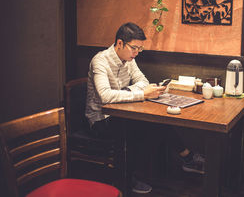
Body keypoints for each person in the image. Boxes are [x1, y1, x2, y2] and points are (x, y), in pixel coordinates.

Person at [85, 22, 204, 194]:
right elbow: (105, 96)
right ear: (120, 43)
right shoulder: (100, 61)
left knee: (157, 121)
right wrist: (141, 94)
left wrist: (127, 90)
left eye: (139, 49)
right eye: (134, 48)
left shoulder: (129, 59)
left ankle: (183, 161)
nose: (136, 53)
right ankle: (128, 179)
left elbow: (143, 82)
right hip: (101, 120)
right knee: (146, 127)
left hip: (123, 113)